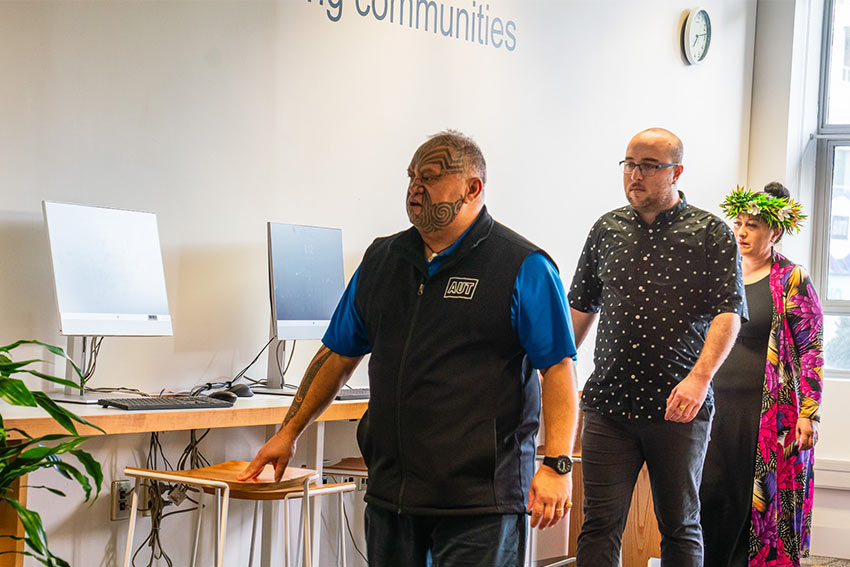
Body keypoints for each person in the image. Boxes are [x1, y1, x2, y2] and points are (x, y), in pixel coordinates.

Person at [239, 130, 580, 566]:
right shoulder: (383, 259)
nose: (416, 188)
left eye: (432, 177)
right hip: (393, 496)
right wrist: (289, 432)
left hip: (481, 502)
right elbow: (338, 354)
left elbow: (558, 369)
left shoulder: (522, 266)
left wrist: (557, 465)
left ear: (473, 188)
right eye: (412, 176)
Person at [568, 127, 746, 567]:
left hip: (678, 406)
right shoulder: (606, 229)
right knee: (598, 525)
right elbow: (581, 306)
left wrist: (699, 379)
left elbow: (729, 313)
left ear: (676, 172)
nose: (635, 174)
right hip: (608, 406)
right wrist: (553, 370)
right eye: (629, 163)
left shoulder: (710, 233)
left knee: (680, 526)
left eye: (649, 166)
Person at [700, 183, 823, 567]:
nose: (741, 232)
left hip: (769, 413)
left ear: (776, 232)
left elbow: (811, 348)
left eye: (752, 225)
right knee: (710, 494)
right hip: (714, 406)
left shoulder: (791, 279)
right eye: (738, 223)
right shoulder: (721, 274)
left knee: (757, 502)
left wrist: (809, 411)